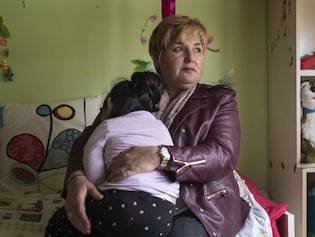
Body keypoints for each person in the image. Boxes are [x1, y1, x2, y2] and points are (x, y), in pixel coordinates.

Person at [61, 15, 250, 237]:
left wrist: (161, 157)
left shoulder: (219, 100)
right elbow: (87, 139)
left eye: (198, 49)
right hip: (127, 196)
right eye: (179, 49)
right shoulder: (132, 94)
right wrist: (76, 178)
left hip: (194, 206)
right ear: (157, 57)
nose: (191, 57)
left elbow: (223, 155)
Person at [44, 71, 178, 237]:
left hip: (119, 204)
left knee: (59, 223)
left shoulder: (107, 125)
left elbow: (93, 166)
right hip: (162, 216)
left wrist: (100, 186)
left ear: (108, 104)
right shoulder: (161, 128)